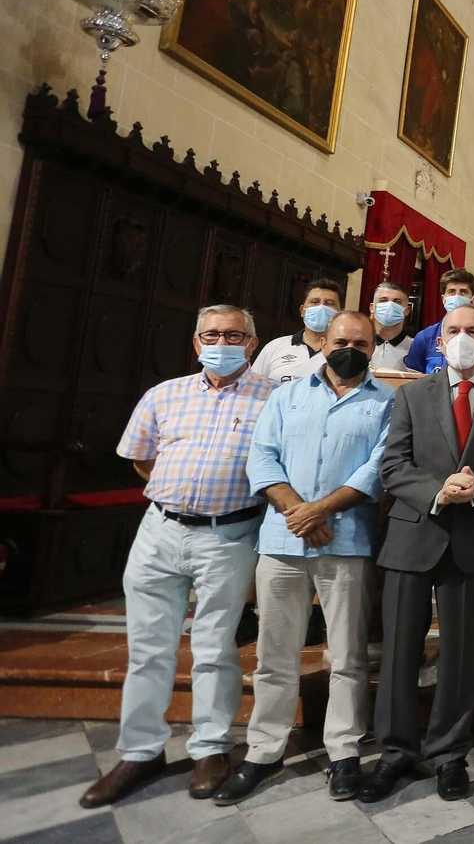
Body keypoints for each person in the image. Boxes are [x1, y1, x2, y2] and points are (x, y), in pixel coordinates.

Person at [80, 305, 273, 808]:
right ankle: (140, 751)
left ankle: (210, 747)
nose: (222, 342)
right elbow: (143, 459)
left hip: (229, 534)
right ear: (195, 343)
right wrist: (181, 495)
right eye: (211, 334)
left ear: (251, 343)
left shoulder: (273, 399)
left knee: (213, 646)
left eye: (233, 335)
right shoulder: (164, 395)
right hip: (161, 529)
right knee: (147, 647)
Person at [216, 312, 394, 805]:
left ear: (374, 348)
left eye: (361, 343)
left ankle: (344, 751)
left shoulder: (387, 403)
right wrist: (301, 512)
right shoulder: (286, 395)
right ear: (323, 341)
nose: (351, 349)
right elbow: (262, 457)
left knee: (348, 656)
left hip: (349, 541)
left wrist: (322, 509)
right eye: (342, 340)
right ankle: (263, 749)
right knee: (274, 654)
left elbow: (378, 469)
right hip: (282, 539)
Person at [361, 306, 474, 803]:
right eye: (453, 331)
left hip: (473, 538)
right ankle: (395, 751)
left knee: (459, 655)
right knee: (399, 651)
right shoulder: (412, 396)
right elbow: (393, 466)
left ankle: (448, 754)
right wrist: (440, 490)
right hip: (415, 533)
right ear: (439, 342)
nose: (462, 339)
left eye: (472, 332)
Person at [252, 278, 343, 385]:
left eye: (329, 303)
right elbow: (253, 386)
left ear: (340, 313)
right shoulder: (275, 347)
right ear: (302, 311)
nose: (321, 307)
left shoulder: (344, 352)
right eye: (314, 302)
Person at [404, 269, 474, 373]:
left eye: (463, 292)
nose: (457, 296)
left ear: (473, 299)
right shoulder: (424, 337)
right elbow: (413, 380)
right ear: (444, 299)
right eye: (451, 292)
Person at [368, 281, 415, 371]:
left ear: (407, 310)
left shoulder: (416, 347)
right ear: (372, 308)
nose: (390, 305)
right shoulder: (358, 344)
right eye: (383, 300)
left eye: (397, 302)